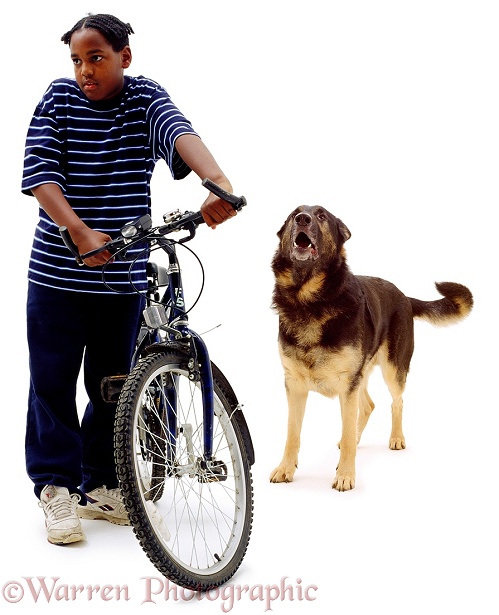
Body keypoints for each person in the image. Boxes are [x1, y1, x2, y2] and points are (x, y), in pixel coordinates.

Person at [22, 13, 238, 545]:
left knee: (112, 385)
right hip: (59, 274)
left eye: (96, 57)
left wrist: (220, 183)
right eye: (77, 59)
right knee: (51, 384)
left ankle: (100, 485)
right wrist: (77, 231)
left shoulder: (144, 99)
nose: (84, 70)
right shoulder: (59, 100)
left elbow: (180, 133)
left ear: (125, 56)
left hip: (121, 279)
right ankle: (56, 487)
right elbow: (40, 175)